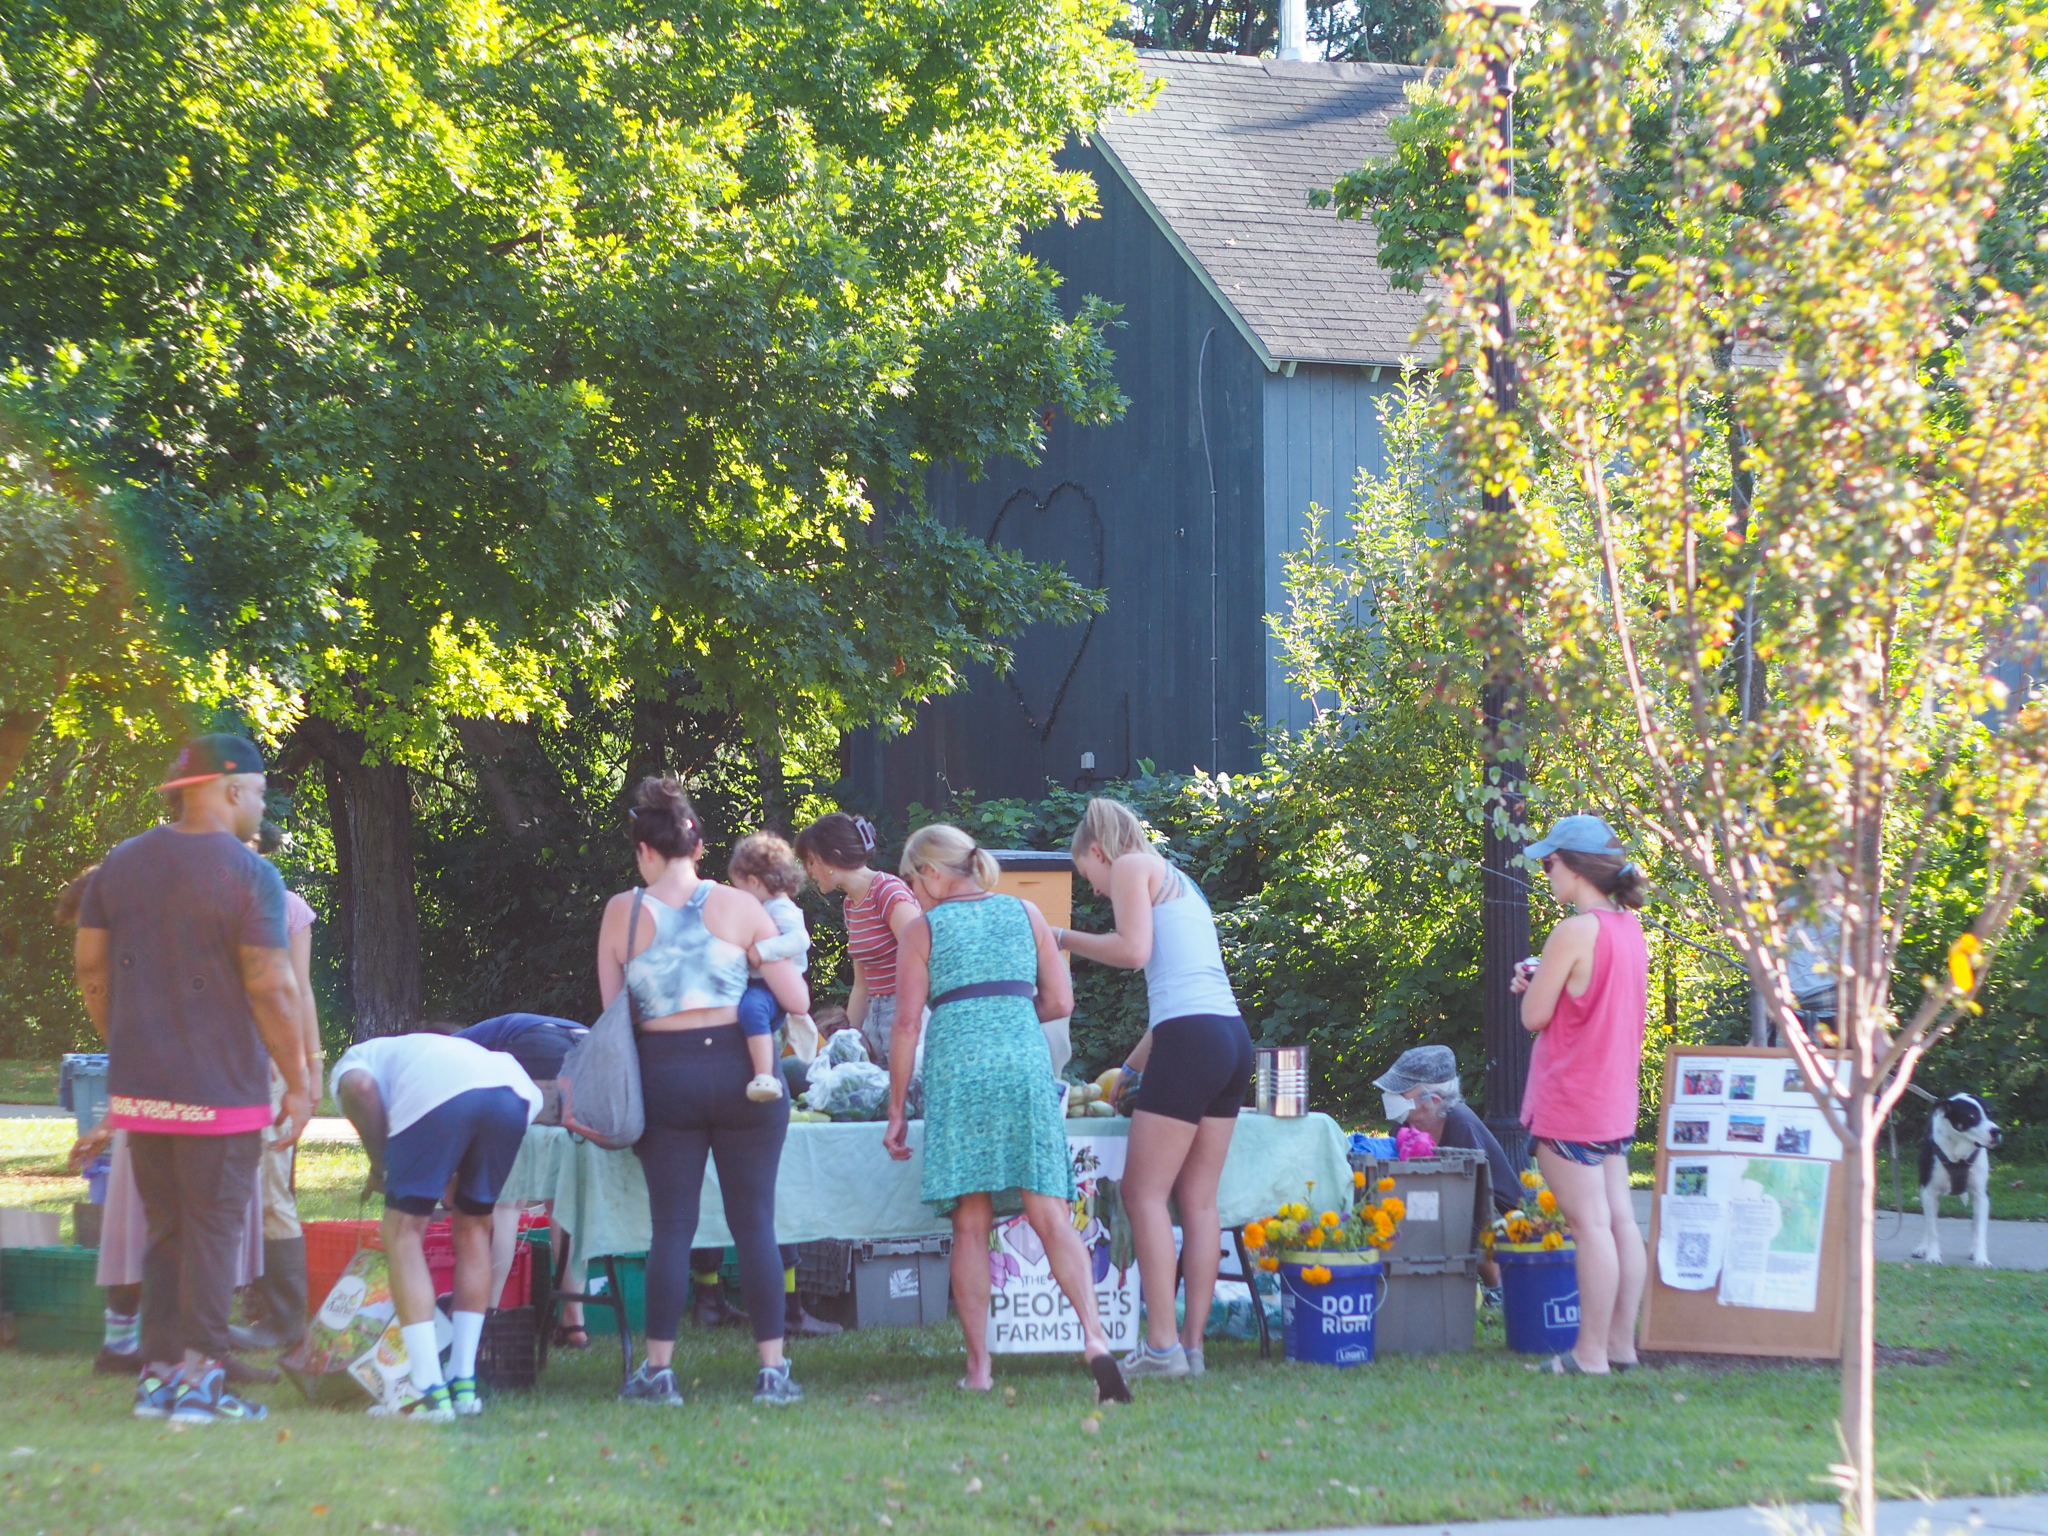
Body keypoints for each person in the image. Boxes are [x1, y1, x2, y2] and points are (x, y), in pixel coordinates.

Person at [72, 733, 312, 1423]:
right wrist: (296, 1080)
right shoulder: (249, 872)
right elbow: (272, 984)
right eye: (261, 792)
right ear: (231, 788)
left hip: (141, 1087)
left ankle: (159, 1376)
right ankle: (203, 1385)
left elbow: (91, 969)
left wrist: (124, 1040)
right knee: (212, 1232)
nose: (262, 807)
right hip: (221, 1092)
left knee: (168, 1232)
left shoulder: (120, 863)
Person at [884, 823, 1132, 1405]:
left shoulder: (923, 930)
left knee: (970, 1223)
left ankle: (979, 1368)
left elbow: (904, 1024)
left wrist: (897, 1107)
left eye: (914, 879)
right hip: (1023, 1063)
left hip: (959, 1070)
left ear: (934, 873)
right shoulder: (1025, 914)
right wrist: (1010, 1008)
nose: (914, 892)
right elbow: (1061, 1002)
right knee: (1047, 1210)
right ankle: (1095, 1340)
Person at [602, 777, 812, 1407]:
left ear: (645, 849)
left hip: (664, 1074)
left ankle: (658, 1371)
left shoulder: (623, 911)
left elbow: (615, 1014)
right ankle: (773, 1371)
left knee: (672, 1227)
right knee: (755, 1223)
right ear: (698, 845)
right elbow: (797, 999)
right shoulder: (741, 907)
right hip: (744, 1071)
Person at [1055, 798, 1252, 1382]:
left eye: (1085, 874)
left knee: (1142, 1193)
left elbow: (1134, 952)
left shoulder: (1128, 867)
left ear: (1098, 851)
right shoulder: (1180, 880)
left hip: (1191, 1041)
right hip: (1228, 1037)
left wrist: (1062, 937)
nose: (1093, 888)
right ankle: (1191, 1348)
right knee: (1199, 1202)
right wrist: (1131, 1069)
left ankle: (1161, 1348)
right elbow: (1175, 990)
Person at [331, 1031, 542, 1421]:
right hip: (514, 1094)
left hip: (438, 1092)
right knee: (475, 1228)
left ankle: (426, 1389)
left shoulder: (356, 1059)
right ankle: (463, 1383)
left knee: (403, 1232)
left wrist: (380, 1169)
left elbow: (359, 1089)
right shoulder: (430, 1049)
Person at [1510, 813, 1650, 1377]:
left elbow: (1533, 1016)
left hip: (1570, 1102)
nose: (1546, 873)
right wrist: (1544, 977)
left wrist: (1530, 983)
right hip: (1613, 1099)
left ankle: (1588, 1354)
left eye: (1550, 863)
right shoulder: (1628, 928)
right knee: (1619, 1223)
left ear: (1576, 868)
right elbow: (1593, 997)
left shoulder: (1573, 930)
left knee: (1589, 1227)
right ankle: (1621, 1346)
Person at [231, 819, 323, 1359]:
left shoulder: (286, 907)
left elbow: (300, 991)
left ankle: (283, 1317)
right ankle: (240, 1304)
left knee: (271, 1188)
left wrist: (307, 1069)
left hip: (266, 1067)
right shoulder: (200, 899)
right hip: (212, 1063)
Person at [455, 1012, 592, 1347]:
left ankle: (487, 1320)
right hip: (591, 1050)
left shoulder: (449, 1048)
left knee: (505, 1201)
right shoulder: (493, 1030)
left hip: (538, 1049)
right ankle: (574, 1323)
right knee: (565, 1199)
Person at [1374, 1044, 1520, 1290]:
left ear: (1433, 1100)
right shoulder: (1405, 1126)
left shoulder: (1462, 1125)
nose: (1392, 1098)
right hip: (1445, 1202)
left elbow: (1478, 1196)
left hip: (1495, 1214)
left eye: (1401, 1093)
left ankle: (1497, 1288)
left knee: (1459, 1219)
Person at [796, 813, 919, 1067]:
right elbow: (862, 985)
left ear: (832, 856)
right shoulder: (851, 904)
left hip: (907, 1016)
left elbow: (925, 961)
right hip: (874, 1018)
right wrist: (849, 1040)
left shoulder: (888, 892)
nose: (809, 871)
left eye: (811, 861)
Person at [726, 831, 814, 1102]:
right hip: (756, 980)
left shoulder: (780, 908)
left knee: (752, 1010)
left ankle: (765, 1075)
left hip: (772, 986)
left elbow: (800, 940)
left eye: (740, 888)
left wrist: (763, 950)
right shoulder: (765, 906)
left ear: (753, 882)